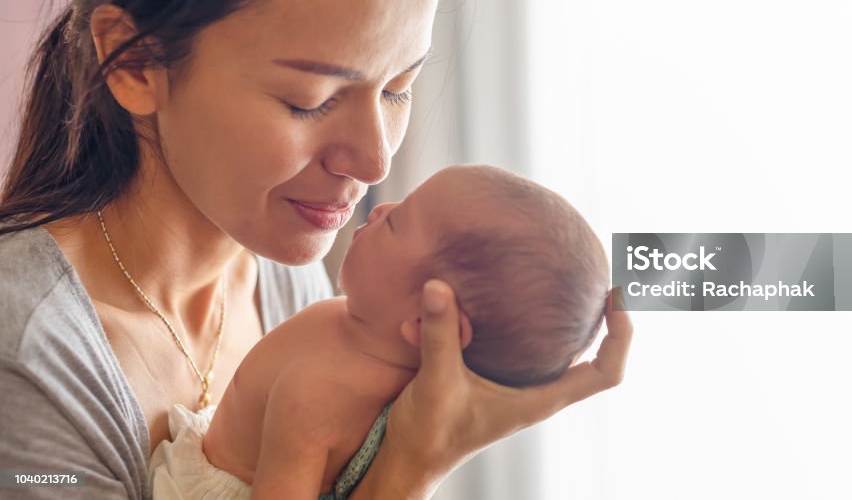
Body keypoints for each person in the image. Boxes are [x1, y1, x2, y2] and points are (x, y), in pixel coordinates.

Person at [0, 0, 631, 499]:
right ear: (138, 60)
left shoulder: (287, 279)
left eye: (398, 89)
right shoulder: (29, 356)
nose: (373, 161)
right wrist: (413, 464)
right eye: (309, 100)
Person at [149, 164, 610, 499]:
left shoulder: (318, 393)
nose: (379, 207)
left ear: (431, 320)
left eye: (395, 221)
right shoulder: (373, 339)